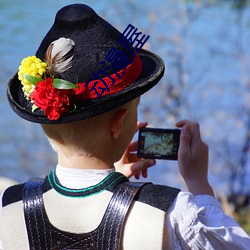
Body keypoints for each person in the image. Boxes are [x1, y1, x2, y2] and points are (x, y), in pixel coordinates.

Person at [1, 3, 249, 249]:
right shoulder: (171, 213)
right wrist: (199, 185)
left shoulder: (10, 208)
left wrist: (119, 188)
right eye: (136, 106)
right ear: (119, 123)